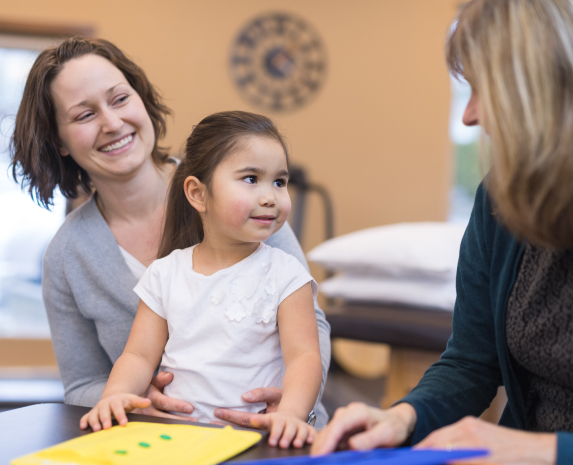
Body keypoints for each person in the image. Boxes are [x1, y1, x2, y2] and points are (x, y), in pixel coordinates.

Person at [10, 37, 331, 429]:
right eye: (84, 115)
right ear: (58, 140)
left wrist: (295, 407)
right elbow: (83, 383)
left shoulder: (237, 199)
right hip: (166, 443)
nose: (112, 123)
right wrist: (135, 401)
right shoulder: (68, 256)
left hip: (273, 433)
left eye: (120, 99)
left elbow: (308, 334)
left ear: (141, 99)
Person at [311, 0, 573, 464]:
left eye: (481, 89)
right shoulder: (500, 199)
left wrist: (547, 450)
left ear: (538, 87)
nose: (470, 115)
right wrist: (403, 417)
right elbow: (471, 363)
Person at [79, 111, 322, 448]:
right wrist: (116, 396)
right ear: (197, 194)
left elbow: (304, 356)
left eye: (279, 182)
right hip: (175, 439)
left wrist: (291, 415)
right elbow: (137, 356)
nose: (270, 196)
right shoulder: (165, 273)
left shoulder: (286, 273)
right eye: (251, 178)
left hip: (256, 441)